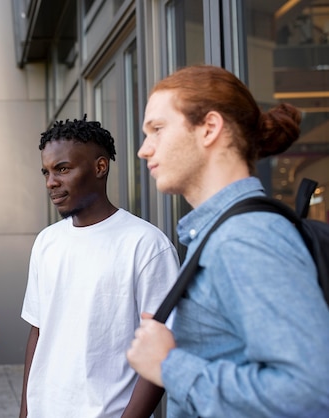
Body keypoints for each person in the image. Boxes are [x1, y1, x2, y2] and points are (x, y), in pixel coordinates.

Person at [127, 65, 329, 417]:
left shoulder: (245, 239)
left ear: (209, 128)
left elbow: (310, 393)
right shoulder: (223, 233)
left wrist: (169, 365)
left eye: (157, 129)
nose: (144, 149)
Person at [19, 116, 180, 417]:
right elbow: (38, 332)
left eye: (63, 169)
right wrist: (26, 412)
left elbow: (164, 348)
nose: (51, 182)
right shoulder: (46, 242)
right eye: (46, 172)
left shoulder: (147, 246)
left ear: (100, 167)